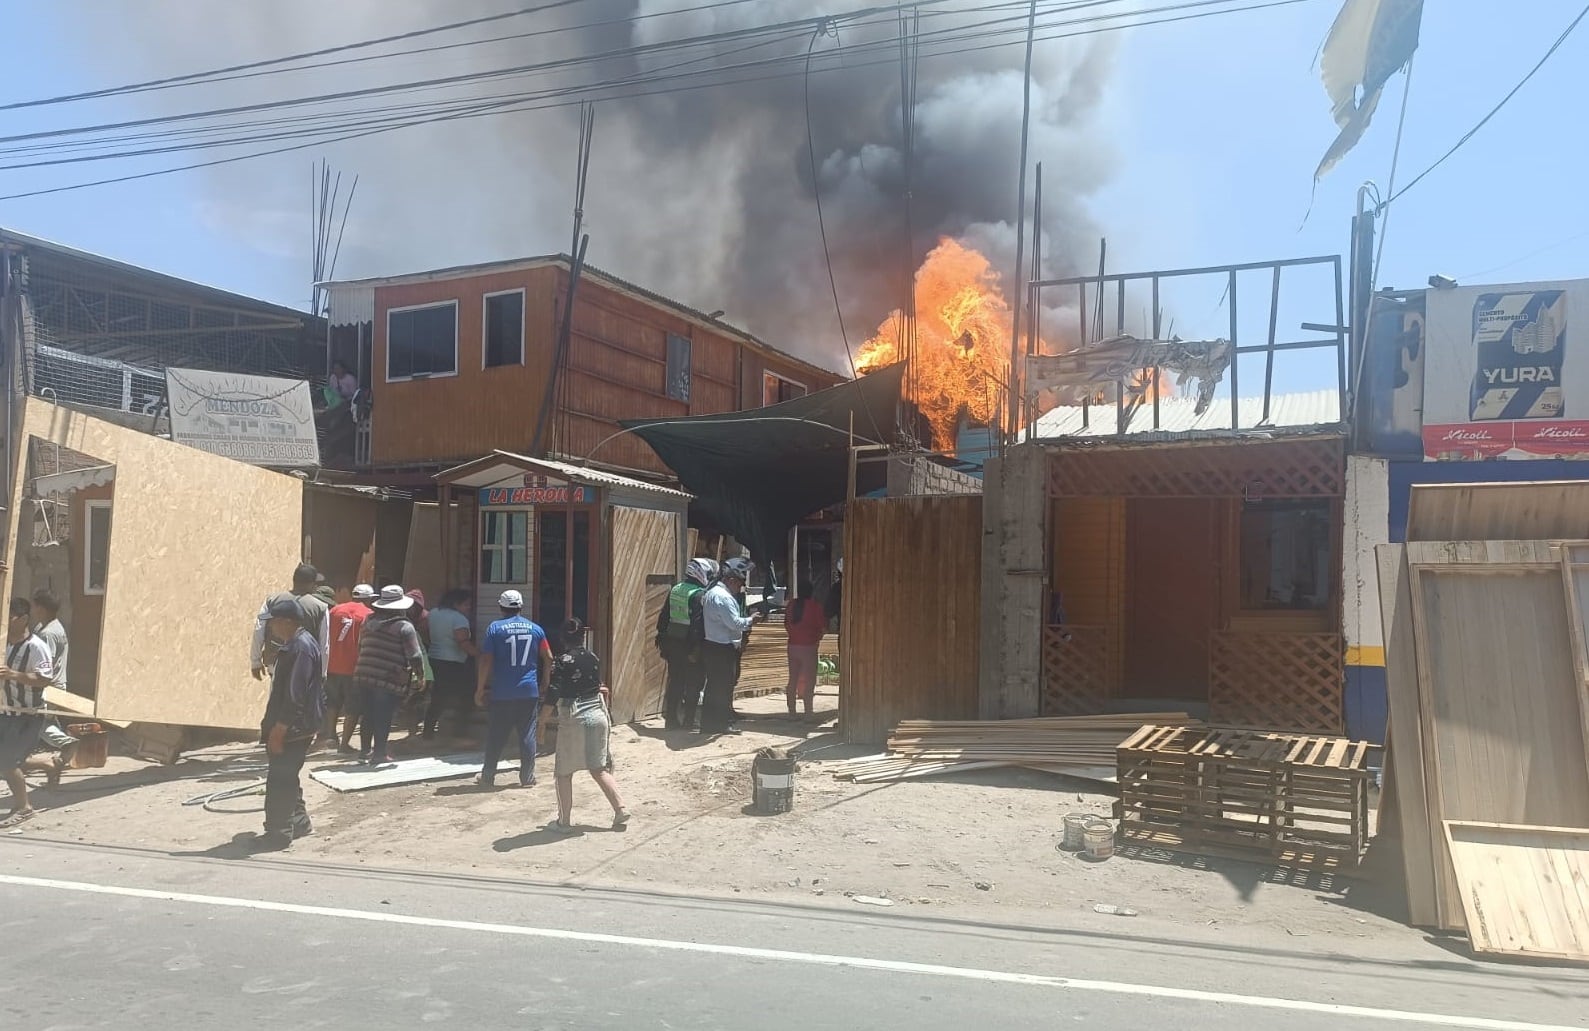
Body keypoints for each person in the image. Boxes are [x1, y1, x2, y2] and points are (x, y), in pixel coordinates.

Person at [543, 617, 629, 834]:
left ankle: (564, 822)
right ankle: (620, 809)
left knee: (563, 772)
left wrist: (541, 720)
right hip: (598, 715)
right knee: (598, 769)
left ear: (562, 638)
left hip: (574, 717)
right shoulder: (593, 657)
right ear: (583, 636)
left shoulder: (562, 661)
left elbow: (553, 693)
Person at [253, 596, 325, 851]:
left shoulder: (300, 648)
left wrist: (280, 729)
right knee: (288, 775)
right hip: (296, 725)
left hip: (293, 728)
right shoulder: (297, 644)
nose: (270, 627)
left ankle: (278, 834)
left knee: (279, 781)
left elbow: (295, 694)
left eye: (272, 622)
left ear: (286, 621)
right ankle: (299, 822)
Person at [475, 589, 551, 789]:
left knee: (496, 735)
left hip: (502, 692)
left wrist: (480, 688)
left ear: (501, 607)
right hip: (528, 690)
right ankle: (527, 777)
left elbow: (486, 660)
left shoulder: (495, 629)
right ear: (521, 607)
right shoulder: (536, 629)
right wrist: (545, 682)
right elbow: (549, 657)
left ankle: (488, 777)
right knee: (527, 734)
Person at [352, 585, 424, 765]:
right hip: (387, 677)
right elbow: (415, 655)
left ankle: (364, 752)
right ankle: (379, 753)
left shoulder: (368, 621)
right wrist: (420, 676)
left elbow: (360, 645)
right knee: (383, 715)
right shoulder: (404, 627)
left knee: (368, 714)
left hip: (363, 673)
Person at [0, 598, 54, 828]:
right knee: (7, 759)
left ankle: (24, 808)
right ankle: (47, 764)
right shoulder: (3, 643)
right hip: (5, 712)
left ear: (23, 619)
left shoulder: (36, 647)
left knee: (7, 762)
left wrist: (13, 675)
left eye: (9, 616)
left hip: (27, 715)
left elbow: (44, 679)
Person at [699, 558, 761, 736]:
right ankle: (720, 723)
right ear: (731, 580)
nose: (740, 588)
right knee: (722, 687)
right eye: (739, 584)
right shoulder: (724, 597)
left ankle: (709, 724)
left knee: (713, 686)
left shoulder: (711, 593)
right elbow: (734, 623)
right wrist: (751, 620)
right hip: (722, 648)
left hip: (713, 645)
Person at [24, 589, 77, 781]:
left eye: (35, 606)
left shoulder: (49, 633)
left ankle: (68, 744)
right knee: (46, 721)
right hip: (54, 686)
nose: (33, 610)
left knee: (37, 723)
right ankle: (61, 754)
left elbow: (46, 663)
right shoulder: (49, 626)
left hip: (49, 687)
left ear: (42, 608)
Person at [656, 558, 714, 730]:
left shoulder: (676, 589)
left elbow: (664, 617)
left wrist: (662, 641)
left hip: (673, 644)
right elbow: (697, 625)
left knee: (676, 682)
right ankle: (689, 721)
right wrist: (696, 649)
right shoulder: (698, 595)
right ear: (700, 573)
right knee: (694, 684)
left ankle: (671, 721)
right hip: (690, 646)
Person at [251, 563, 329, 681]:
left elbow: (259, 628)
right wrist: (322, 673)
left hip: (275, 665)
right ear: (311, 584)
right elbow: (324, 644)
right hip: (305, 668)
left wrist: (255, 662)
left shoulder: (272, 601)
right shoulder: (320, 608)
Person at [323, 583, 375, 753]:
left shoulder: (335, 610)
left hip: (332, 665)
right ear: (368, 599)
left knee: (332, 702)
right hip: (355, 668)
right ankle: (345, 744)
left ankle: (331, 736)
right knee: (353, 708)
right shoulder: (369, 614)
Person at [425, 588, 478, 741]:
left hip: (434, 658)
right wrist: (479, 654)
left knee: (438, 697)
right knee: (466, 697)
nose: (469, 608)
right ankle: (460, 734)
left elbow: (425, 630)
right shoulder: (459, 619)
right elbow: (463, 642)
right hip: (453, 663)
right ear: (456, 603)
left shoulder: (433, 613)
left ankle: (428, 732)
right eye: (466, 604)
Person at [784, 579, 826, 717]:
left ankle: (792, 713)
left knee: (793, 679)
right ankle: (808, 713)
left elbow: (786, 624)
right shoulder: (815, 607)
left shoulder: (791, 605)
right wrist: (817, 638)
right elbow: (822, 627)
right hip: (809, 647)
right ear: (811, 592)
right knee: (809, 680)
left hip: (792, 646)